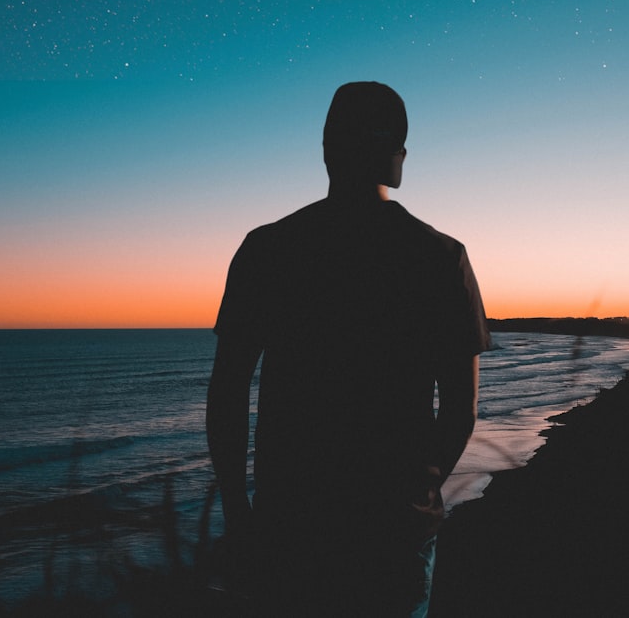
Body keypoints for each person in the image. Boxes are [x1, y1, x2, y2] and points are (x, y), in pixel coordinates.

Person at [206, 81, 490, 617]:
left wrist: (236, 506)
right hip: (394, 530)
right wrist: (418, 495)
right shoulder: (441, 258)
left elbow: (227, 390)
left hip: (290, 522)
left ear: (326, 149)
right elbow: (461, 411)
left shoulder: (267, 249)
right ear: (397, 158)